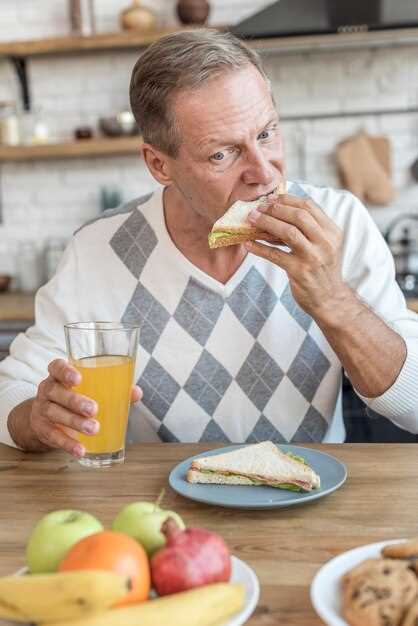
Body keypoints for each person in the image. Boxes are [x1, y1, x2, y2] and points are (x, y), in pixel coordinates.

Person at [1, 30, 417, 459]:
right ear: (159, 164)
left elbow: (416, 405)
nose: (264, 173)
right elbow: (11, 392)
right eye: (223, 154)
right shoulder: (98, 250)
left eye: (267, 133)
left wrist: (334, 301)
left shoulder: (338, 221)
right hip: (163, 511)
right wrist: (37, 417)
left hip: (314, 498)